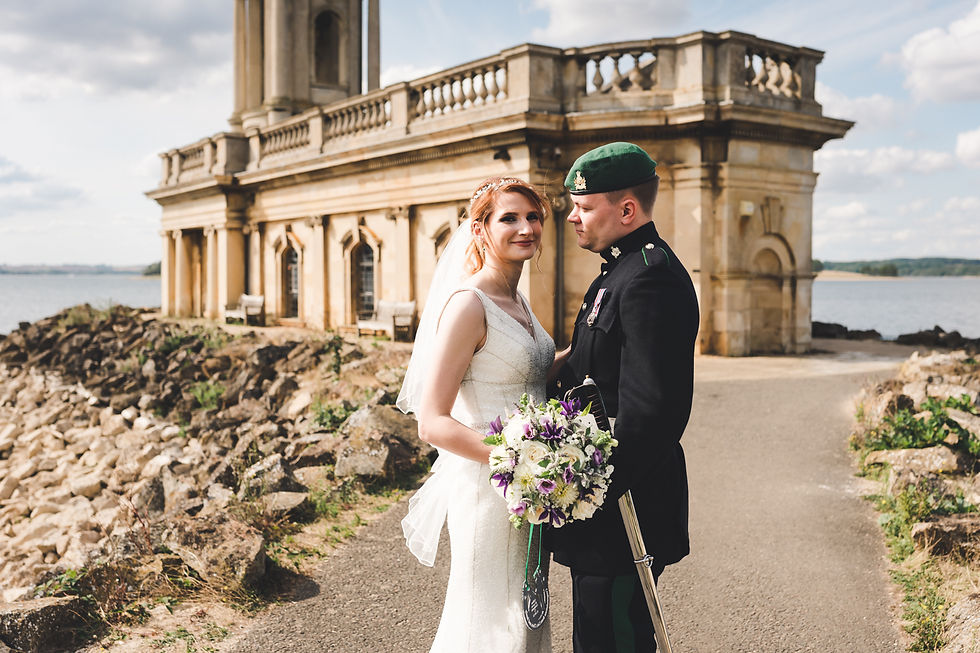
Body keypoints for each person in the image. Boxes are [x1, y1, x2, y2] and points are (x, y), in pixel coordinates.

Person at [545, 142, 700, 652]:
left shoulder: (650, 277)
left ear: (627, 210)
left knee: (613, 641)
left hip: (623, 506)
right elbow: (593, 371)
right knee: (597, 636)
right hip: (604, 507)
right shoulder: (618, 271)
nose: (572, 217)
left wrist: (586, 489)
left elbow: (652, 412)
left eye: (584, 207)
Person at [397, 177, 557, 653]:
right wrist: (516, 462)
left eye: (532, 217)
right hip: (492, 485)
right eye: (509, 217)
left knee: (525, 611)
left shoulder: (517, 299)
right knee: (486, 619)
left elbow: (527, 368)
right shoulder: (470, 305)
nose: (525, 227)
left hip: (531, 484)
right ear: (480, 229)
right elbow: (432, 421)